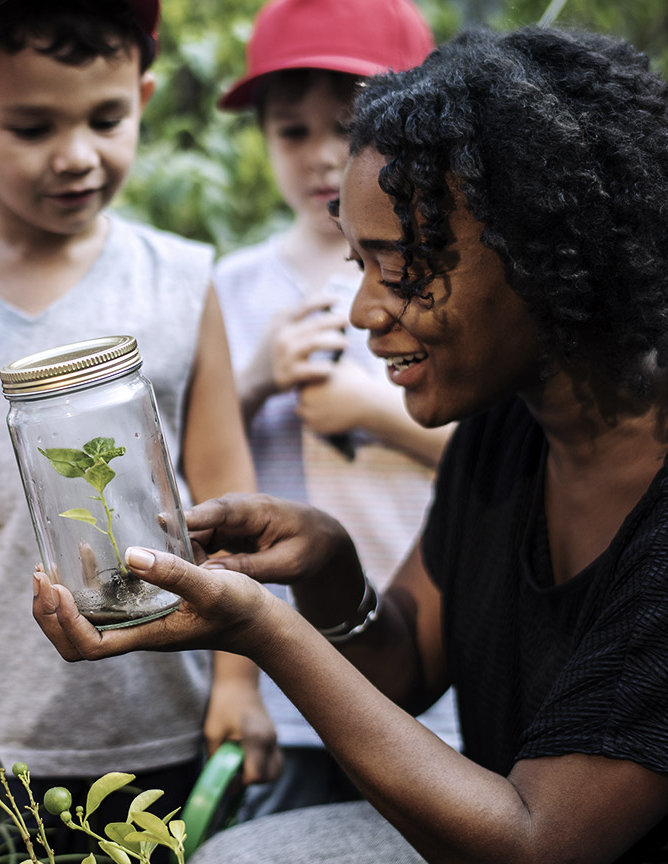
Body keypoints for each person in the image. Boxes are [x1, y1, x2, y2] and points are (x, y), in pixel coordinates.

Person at [34, 26, 668, 863]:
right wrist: (329, 563)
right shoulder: (517, 414)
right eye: (358, 264)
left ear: (548, 251)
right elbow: (406, 662)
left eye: (405, 269)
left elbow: (535, 845)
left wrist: (263, 632)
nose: (364, 313)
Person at [0, 0, 274, 848]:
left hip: (166, 722)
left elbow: (228, 495)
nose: (77, 155)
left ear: (145, 97)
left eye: (106, 118)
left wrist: (240, 679)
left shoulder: (183, 281)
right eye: (33, 125)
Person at [211, 0, 460, 818]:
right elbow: (192, 454)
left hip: (434, 672)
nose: (320, 155)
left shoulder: (448, 280)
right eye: (291, 131)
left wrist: (367, 407)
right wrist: (253, 381)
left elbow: (498, 457)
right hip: (290, 692)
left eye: (347, 127)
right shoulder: (231, 289)